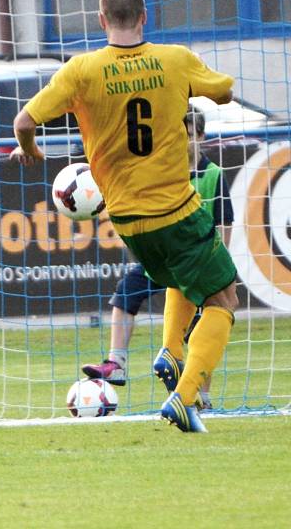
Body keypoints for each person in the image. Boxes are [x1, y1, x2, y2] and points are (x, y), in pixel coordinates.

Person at [10, 0, 238, 432]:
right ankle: (185, 396)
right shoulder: (173, 60)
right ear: (144, 15)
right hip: (175, 207)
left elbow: (23, 120)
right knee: (224, 297)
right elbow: (224, 92)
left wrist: (32, 150)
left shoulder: (82, 70)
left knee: (178, 277)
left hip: (128, 222)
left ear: (101, 18)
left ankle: (171, 354)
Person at [81, 104, 234, 410]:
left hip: (201, 261)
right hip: (164, 258)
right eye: (179, 135)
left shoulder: (213, 175)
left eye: (190, 135)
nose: (184, 141)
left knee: (200, 327)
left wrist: (218, 265)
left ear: (201, 136)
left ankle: (201, 394)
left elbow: (223, 225)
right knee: (126, 293)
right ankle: (117, 362)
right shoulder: (165, 172)